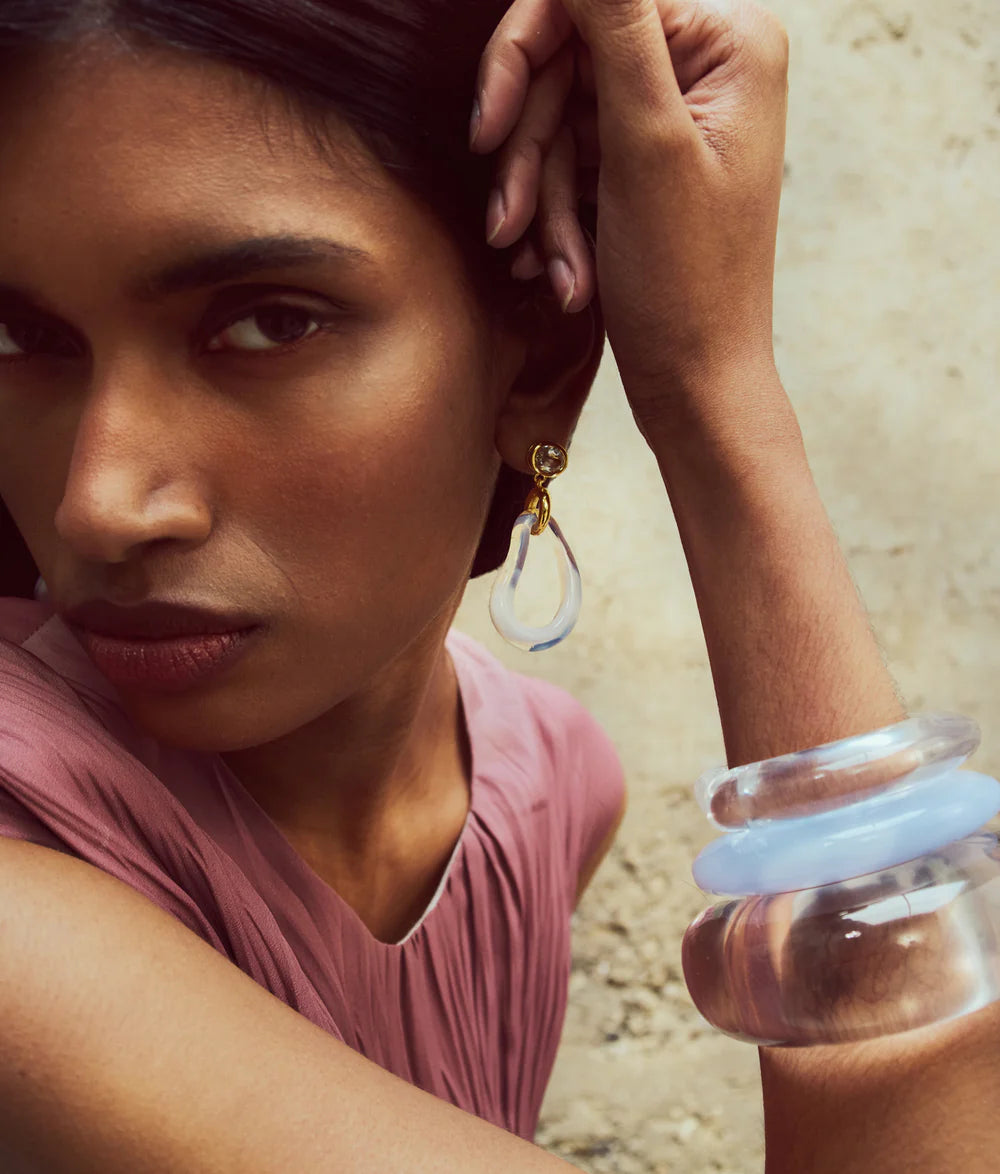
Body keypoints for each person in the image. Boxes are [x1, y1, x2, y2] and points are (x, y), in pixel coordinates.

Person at [0, 0, 995, 1171]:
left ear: (540, 366)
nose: (98, 502)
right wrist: (721, 404)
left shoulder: (550, 785)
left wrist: (701, 371)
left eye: (266, 324)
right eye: (18, 339)